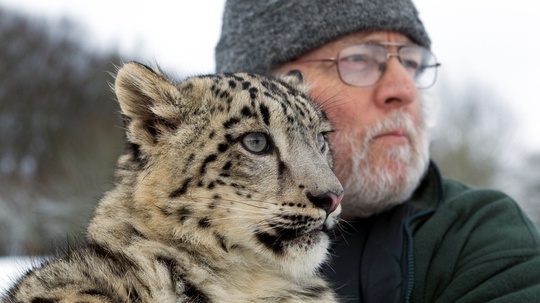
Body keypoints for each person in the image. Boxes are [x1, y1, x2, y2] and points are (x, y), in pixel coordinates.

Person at [214, 1, 540, 302]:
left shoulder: (477, 233)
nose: (405, 89)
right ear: (258, 85)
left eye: (412, 63)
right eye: (359, 59)